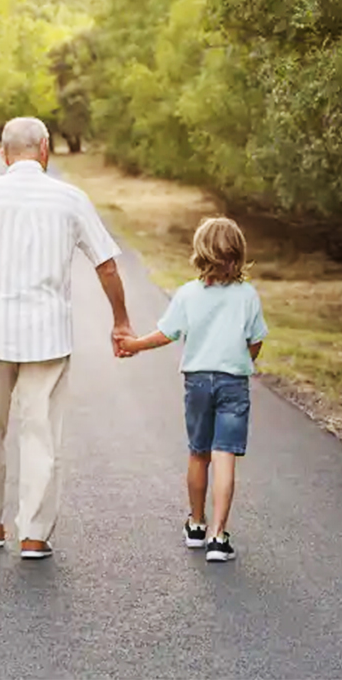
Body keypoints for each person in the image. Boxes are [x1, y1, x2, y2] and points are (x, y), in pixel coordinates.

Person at [0, 117, 133, 560]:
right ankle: (34, 534)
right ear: (45, 150)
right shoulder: (70, 199)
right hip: (48, 336)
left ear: (3, 154)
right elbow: (107, 265)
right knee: (42, 435)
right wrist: (121, 321)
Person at [116, 216, 267, 563]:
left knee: (199, 452)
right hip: (233, 382)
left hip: (197, 381)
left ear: (200, 253)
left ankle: (196, 525)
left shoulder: (187, 294)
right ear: (238, 254)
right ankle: (218, 536)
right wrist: (242, 359)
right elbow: (255, 341)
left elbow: (166, 334)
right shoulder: (247, 296)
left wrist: (134, 344)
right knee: (224, 453)